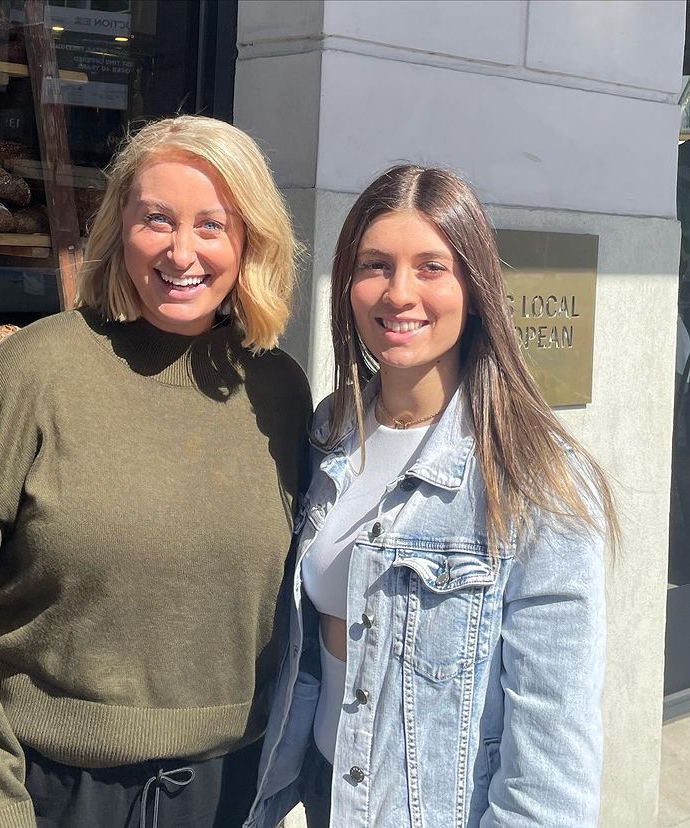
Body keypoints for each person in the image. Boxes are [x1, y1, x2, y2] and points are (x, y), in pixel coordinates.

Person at [0, 115, 312, 828]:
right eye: (157, 219)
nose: (181, 251)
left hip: (233, 793)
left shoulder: (279, 390)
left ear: (251, 239)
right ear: (118, 228)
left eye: (211, 225)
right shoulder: (30, 376)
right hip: (49, 794)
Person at [244, 165, 617, 828]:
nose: (399, 293)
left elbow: (552, 768)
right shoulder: (332, 430)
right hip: (324, 793)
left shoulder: (535, 479)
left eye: (431, 268)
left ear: (475, 289)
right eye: (375, 265)